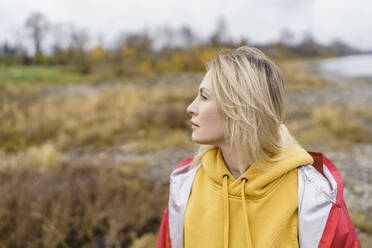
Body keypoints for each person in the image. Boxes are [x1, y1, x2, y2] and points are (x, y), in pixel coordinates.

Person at [156, 46, 361, 248]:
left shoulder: (313, 196)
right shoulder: (185, 185)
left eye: (204, 96)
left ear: (240, 106)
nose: (190, 108)